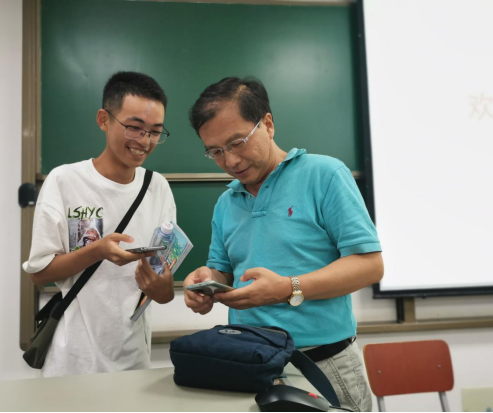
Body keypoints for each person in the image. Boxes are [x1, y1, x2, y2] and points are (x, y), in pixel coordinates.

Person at [183, 77, 384, 412]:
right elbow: (222, 272)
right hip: (250, 363)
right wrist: (206, 282)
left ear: (268, 124)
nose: (230, 161)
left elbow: (370, 266)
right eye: (215, 152)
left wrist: (287, 288)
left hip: (324, 363)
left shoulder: (324, 175)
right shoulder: (226, 203)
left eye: (237, 143)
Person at [23, 72, 176, 378]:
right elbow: (39, 273)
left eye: (155, 132)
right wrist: (97, 251)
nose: (144, 141)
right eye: (134, 127)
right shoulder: (65, 181)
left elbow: (163, 285)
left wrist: (164, 290)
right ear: (104, 120)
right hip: (72, 362)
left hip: (133, 363)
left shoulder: (157, 187)